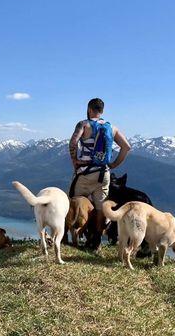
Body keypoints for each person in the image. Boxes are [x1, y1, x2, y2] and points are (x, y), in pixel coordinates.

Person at [68, 98, 131, 250]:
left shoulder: (83, 124)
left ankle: (71, 236)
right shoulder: (112, 128)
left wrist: (75, 161)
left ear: (89, 109)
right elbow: (126, 147)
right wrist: (114, 164)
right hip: (104, 174)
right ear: (102, 111)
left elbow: (73, 142)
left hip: (85, 172)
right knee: (100, 208)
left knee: (73, 201)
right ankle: (95, 242)